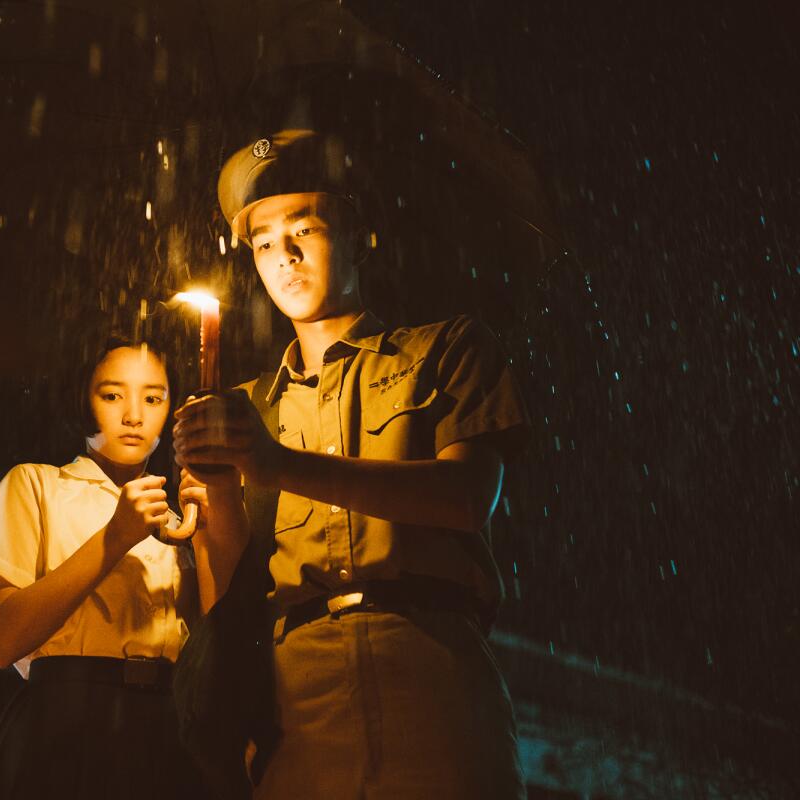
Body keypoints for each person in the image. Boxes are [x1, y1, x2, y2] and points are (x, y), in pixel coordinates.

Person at [173, 130, 531, 798]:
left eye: (306, 226)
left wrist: (275, 464)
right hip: (294, 707)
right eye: (264, 242)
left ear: (361, 231)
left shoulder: (448, 349)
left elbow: (464, 498)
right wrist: (221, 487)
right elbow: (228, 600)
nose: (286, 256)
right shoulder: (250, 407)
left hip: (430, 674)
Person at [0, 335, 205, 800]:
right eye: (112, 395)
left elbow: (207, 640)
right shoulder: (35, 485)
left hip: (164, 726)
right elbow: (2, 637)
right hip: (64, 721)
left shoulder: (179, 523)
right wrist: (115, 538)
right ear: (82, 400)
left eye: (153, 398)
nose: (133, 415)